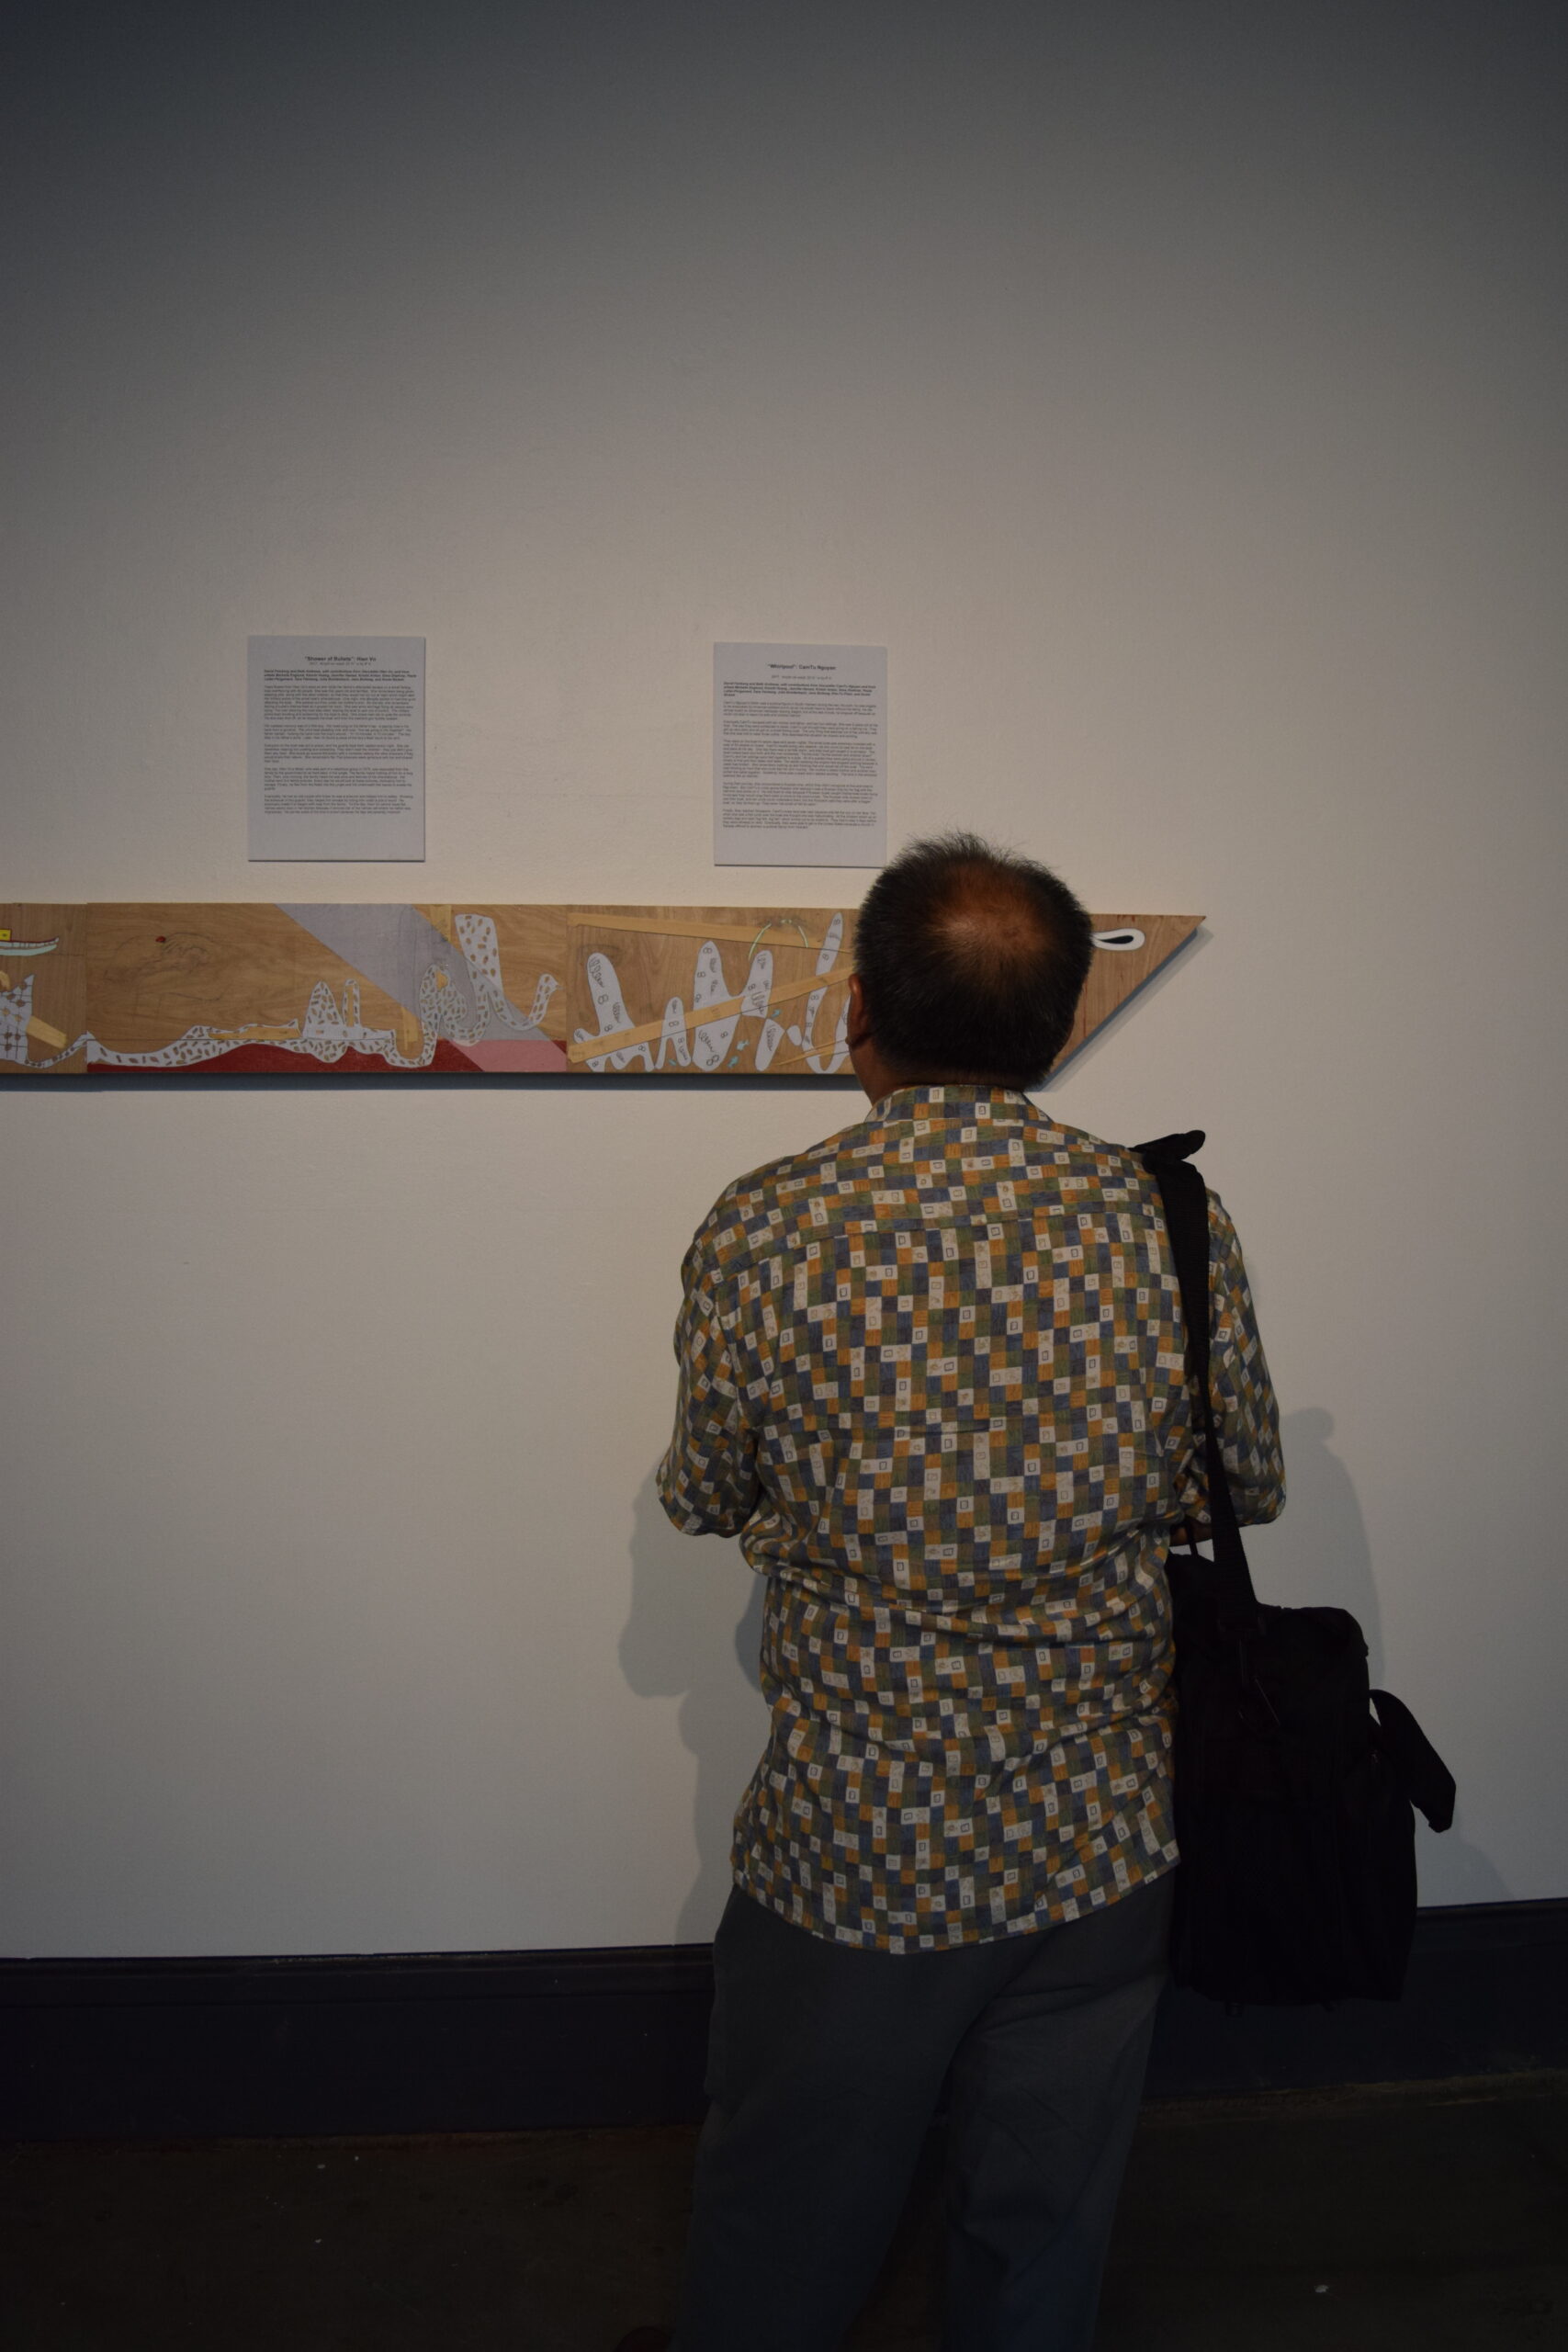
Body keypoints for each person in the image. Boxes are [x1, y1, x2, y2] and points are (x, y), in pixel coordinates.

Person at [621, 833, 1283, 2352]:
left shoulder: (771, 1222)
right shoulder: (1169, 1217)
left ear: (859, 1006)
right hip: (1099, 1835)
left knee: (785, 2211)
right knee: (1044, 2223)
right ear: (1056, 1026)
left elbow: (705, 1492)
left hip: (861, 1846)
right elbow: (1243, 1481)